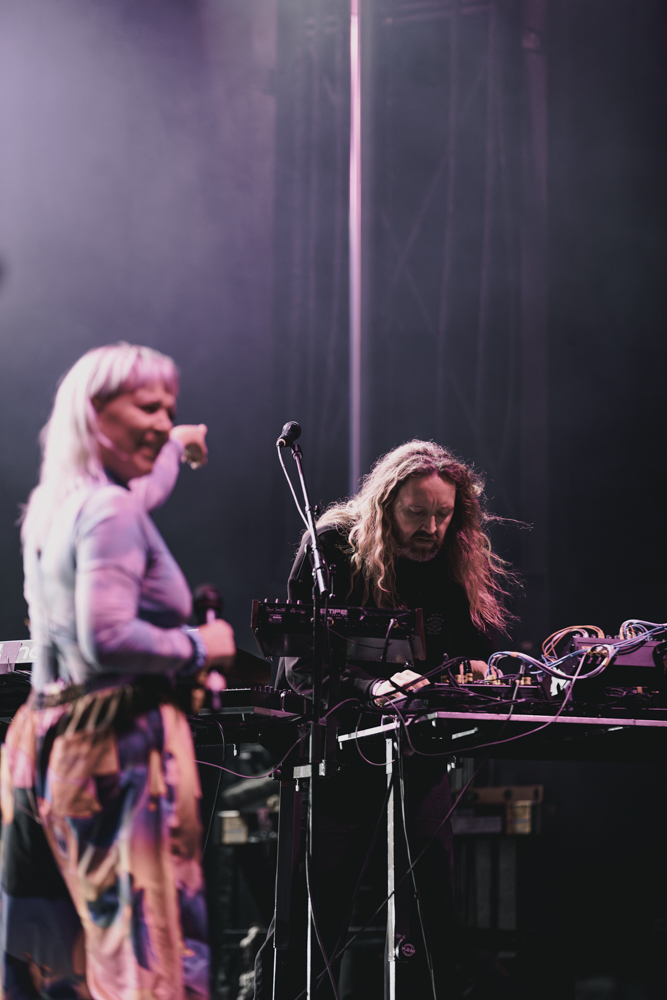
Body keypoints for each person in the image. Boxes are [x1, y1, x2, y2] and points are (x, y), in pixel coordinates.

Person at [0, 344, 235, 1000]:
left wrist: (174, 445)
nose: (163, 419)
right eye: (149, 406)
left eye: (171, 407)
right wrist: (200, 644)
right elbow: (107, 638)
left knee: (52, 955)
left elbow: (140, 492)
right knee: (141, 954)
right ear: (96, 412)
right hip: (115, 742)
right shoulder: (110, 511)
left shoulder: (55, 503)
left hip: (43, 738)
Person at [256, 439, 514, 999]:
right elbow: (299, 662)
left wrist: (472, 674)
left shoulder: (454, 558)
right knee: (314, 917)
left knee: (434, 912)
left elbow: (467, 654)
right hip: (332, 755)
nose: (431, 527)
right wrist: (373, 686)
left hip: (416, 757)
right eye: (416, 513)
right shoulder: (331, 547)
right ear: (384, 504)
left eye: (443, 514)